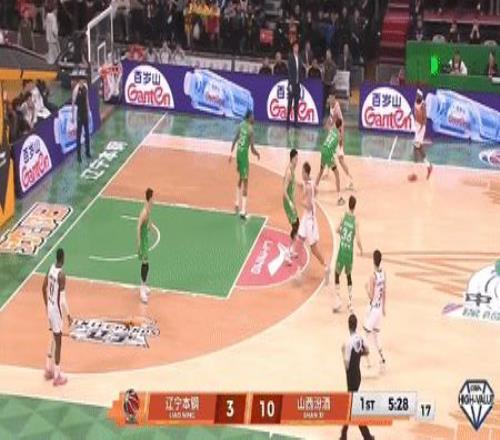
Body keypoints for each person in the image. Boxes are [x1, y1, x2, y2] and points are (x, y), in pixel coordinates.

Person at [340, 314, 374, 440]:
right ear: (356, 325)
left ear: (348, 325)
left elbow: (346, 364)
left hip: (351, 378)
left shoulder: (348, 343)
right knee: (350, 406)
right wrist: (359, 355)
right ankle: (344, 434)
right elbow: (366, 351)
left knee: (352, 407)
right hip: (358, 376)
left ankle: (366, 436)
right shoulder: (360, 338)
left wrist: (342, 351)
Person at [42, 248, 71, 386]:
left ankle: (48, 368)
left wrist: (46, 305)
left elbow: (43, 288)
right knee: (58, 342)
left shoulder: (50, 268)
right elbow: (63, 300)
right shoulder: (61, 275)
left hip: (49, 307)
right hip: (57, 312)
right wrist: (69, 315)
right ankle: (57, 376)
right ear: (63, 258)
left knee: (52, 336)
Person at [298, 162, 330, 284]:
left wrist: (302, 202)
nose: (301, 174)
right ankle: (300, 269)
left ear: (306, 173)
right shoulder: (310, 183)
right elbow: (316, 190)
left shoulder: (308, 187)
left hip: (309, 220)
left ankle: (326, 266)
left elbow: (310, 206)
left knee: (313, 248)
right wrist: (311, 198)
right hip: (306, 217)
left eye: (302, 172)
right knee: (300, 239)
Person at [333, 195, 363, 313]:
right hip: (349, 253)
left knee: (337, 274)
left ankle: (338, 299)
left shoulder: (343, 216)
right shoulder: (356, 221)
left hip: (342, 250)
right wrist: (361, 249)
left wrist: (342, 234)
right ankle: (350, 302)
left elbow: (336, 229)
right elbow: (358, 240)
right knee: (348, 276)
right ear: (355, 206)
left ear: (348, 205)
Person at [229, 111, 260, 219]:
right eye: (253, 116)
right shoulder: (251, 130)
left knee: (240, 178)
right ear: (249, 117)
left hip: (238, 154)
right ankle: (243, 211)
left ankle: (236, 203)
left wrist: (231, 154)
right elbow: (252, 149)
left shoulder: (241, 125)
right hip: (243, 157)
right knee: (246, 183)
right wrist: (257, 154)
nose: (254, 118)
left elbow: (235, 139)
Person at [363, 249, 386, 371]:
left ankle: (368, 363)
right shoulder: (383, 274)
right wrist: (384, 308)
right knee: (376, 336)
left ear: (373, 260)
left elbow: (371, 296)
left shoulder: (373, 276)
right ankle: (382, 359)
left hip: (373, 309)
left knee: (366, 335)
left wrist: (366, 288)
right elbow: (384, 292)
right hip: (379, 309)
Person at [315, 117, 344, 206]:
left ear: (335, 124)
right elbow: (340, 144)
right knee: (337, 174)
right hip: (328, 153)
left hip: (323, 149)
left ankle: (314, 191)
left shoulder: (332, 129)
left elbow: (327, 127)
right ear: (340, 126)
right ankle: (339, 198)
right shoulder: (339, 135)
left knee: (321, 171)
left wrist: (329, 120)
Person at [328, 95, 354, 189]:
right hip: (333, 135)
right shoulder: (331, 106)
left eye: (332, 99)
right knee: (329, 153)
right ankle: (326, 172)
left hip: (337, 138)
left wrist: (341, 140)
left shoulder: (337, 109)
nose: (330, 100)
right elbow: (331, 118)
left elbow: (342, 124)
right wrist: (329, 127)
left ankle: (350, 180)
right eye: (329, 98)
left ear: (334, 99)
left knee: (341, 160)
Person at [409, 89, 432, 181]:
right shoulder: (416, 102)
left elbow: (424, 119)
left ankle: (414, 173)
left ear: (421, 96)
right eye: (416, 95)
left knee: (416, 148)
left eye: (418, 95)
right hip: (417, 126)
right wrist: (409, 114)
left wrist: (420, 129)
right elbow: (413, 109)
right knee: (419, 148)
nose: (416, 96)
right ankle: (428, 166)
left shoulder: (423, 105)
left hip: (421, 128)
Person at [283, 148, 300, 264]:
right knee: (295, 226)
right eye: (296, 159)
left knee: (296, 225)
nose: (297, 161)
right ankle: (287, 252)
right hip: (288, 203)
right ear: (292, 159)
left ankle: (291, 250)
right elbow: (284, 190)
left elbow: (292, 185)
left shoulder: (293, 169)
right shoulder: (289, 172)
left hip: (291, 202)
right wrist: (289, 202)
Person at [138, 188, 154, 304]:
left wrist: (150, 228)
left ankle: (143, 286)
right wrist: (139, 242)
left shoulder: (148, 209)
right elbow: (138, 226)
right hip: (143, 240)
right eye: (153, 197)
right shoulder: (144, 212)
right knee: (145, 264)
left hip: (146, 239)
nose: (154, 200)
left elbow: (148, 222)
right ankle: (142, 290)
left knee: (146, 264)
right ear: (150, 198)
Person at [72, 77, 91, 163]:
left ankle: (87, 152)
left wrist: (88, 111)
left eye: (84, 80)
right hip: (79, 114)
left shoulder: (86, 87)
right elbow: (73, 103)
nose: (83, 81)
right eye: (82, 80)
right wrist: (73, 116)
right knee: (78, 136)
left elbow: (87, 99)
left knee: (87, 134)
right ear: (79, 81)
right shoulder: (76, 90)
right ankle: (79, 155)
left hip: (85, 113)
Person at [287, 41, 305, 128]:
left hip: (298, 84)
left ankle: (295, 122)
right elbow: (289, 71)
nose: (296, 48)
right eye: (295, 47)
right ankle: (288, 122)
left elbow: (300, 70)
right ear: (293, 48)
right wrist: (290, 83)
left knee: (296, 104)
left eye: (297, 47)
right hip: (292, 84)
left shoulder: (300, 58)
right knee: (290, 103)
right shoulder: (290, 57)